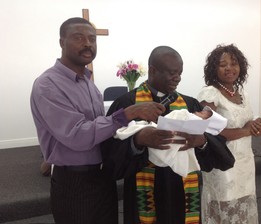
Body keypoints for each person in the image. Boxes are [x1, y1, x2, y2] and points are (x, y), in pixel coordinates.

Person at [30, 17, 166, 224]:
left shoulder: (89, 84)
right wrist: (126, 114)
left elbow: (102, 132)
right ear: (61, 42)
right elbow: (77, 136)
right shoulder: (48, 85)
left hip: (102, 177)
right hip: (74, 181)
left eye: (92, 39)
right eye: (78, 38)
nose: (88, 44)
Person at [101, 45, 233, 224]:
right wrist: (138, 141)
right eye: (172, 73)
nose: (177, 78)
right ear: (153, 71)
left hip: (183, 191)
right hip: (145, 192)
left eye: (180, 73)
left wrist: (200, 140)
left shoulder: (189, 104)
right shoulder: (127, 104)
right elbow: (109, 157)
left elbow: (221, 153)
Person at [197, 44, 261, 223]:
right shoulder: (210, 93)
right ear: (214, 68)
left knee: (243, 206)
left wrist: (254, 125)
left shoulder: (242, 92)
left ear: (241, 66)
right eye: (223, 64)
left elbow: (244, 121)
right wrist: (246, 130)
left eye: (234, 63)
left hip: (245, 160)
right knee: (225, 208)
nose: (229, 68)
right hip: (223, 163)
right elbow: (208, 130)